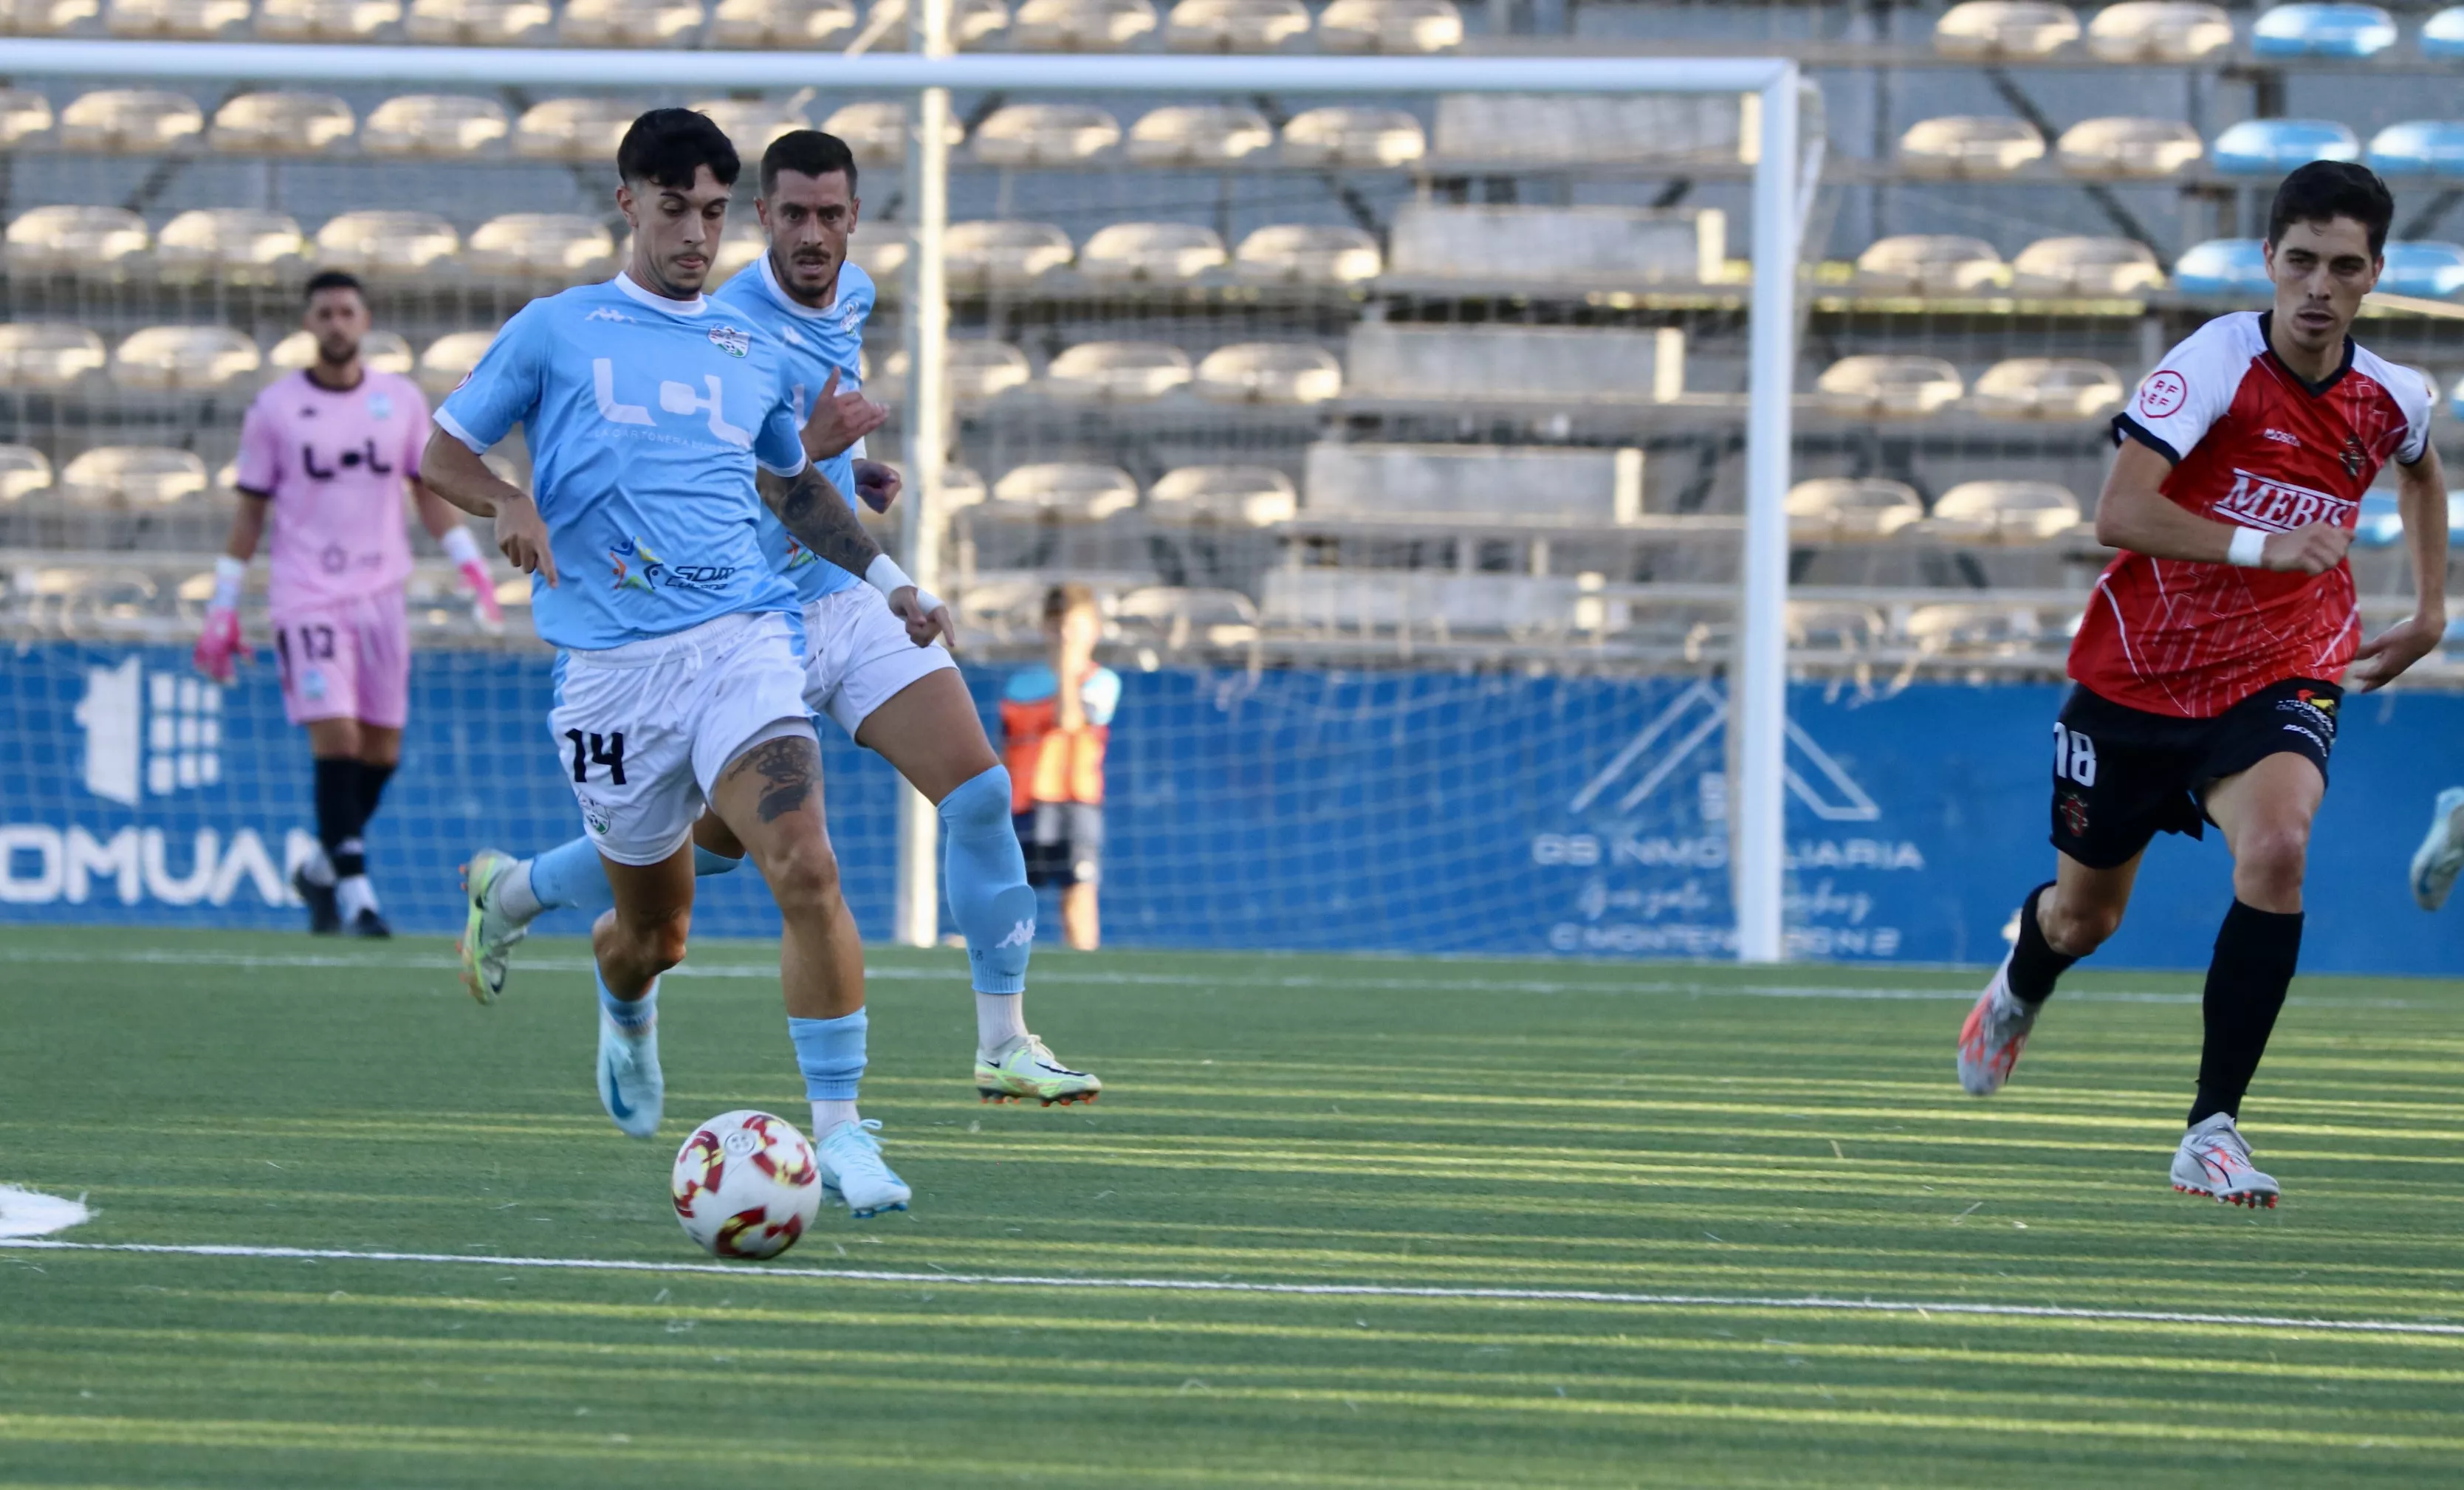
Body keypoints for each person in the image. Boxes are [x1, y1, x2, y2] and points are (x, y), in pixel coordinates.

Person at [456, 129, 1101, 1110]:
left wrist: (851, 477)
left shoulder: (853, 297)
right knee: (687, 872)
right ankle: (513, 893)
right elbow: (721, 480)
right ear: (762, 219)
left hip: (840, 598)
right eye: (792, 214)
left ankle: (1004, 1040)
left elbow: (797, 474)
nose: (813, 234)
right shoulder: (722, 317)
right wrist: (806, 449)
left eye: (831, 216)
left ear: (853, 220)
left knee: (976, 794)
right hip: (740, 625)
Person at [419, 109, 947, 1218]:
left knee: (803, 862)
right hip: (609, 675)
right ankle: (623, 1006)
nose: (699, 236)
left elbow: (790, 487)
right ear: (629, 203)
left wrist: (891, 580)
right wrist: (508, 500)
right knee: (653, 934)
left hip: (741, 646)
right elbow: (439, 451)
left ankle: (843, 1133)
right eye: (676, 211)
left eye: (714, 212)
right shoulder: (559, 329)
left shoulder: (748, 348)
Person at [1956, 161, 2448, 1209]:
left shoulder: (2392, 394)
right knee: (2084, 919)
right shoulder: (2211, 362)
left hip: (2283, 667)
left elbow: (2421, 467)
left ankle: (2210, 1128)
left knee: (2277, 849)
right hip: (2136, 676)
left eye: (2344, 267)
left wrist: (2431, 610)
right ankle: (2018, 985)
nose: (2319, 285)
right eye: (2302, 260)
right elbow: (2119, 514)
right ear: (2268, 259)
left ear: (2373, 276)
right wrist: (2265, 547)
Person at [193, 269, 504, 938]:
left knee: (382, 750)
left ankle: (322, 867)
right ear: (309, 325)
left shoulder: (398, 401)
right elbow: (251, 512)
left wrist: (470, 565)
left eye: (346, 312)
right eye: (324, 313)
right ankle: (359, 891)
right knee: (335, 733)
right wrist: (223, 603)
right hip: (306, 594)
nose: (336, 323)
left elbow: (427, 491)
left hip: (380, 593)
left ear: (364, 323)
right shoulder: (274, 409)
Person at [1001, 583, 1120, 952]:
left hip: (1076, 802)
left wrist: (1068, 668)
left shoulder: (1102, 682)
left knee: (1078, 894)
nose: (1065, 634)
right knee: (1017, 899)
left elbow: (1070, 721)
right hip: (1026, 803)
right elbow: (1007, 746)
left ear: (1094, 629)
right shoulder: (1021, 683)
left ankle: (1087, 969)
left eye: (1075, 625)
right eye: (1058, 625)